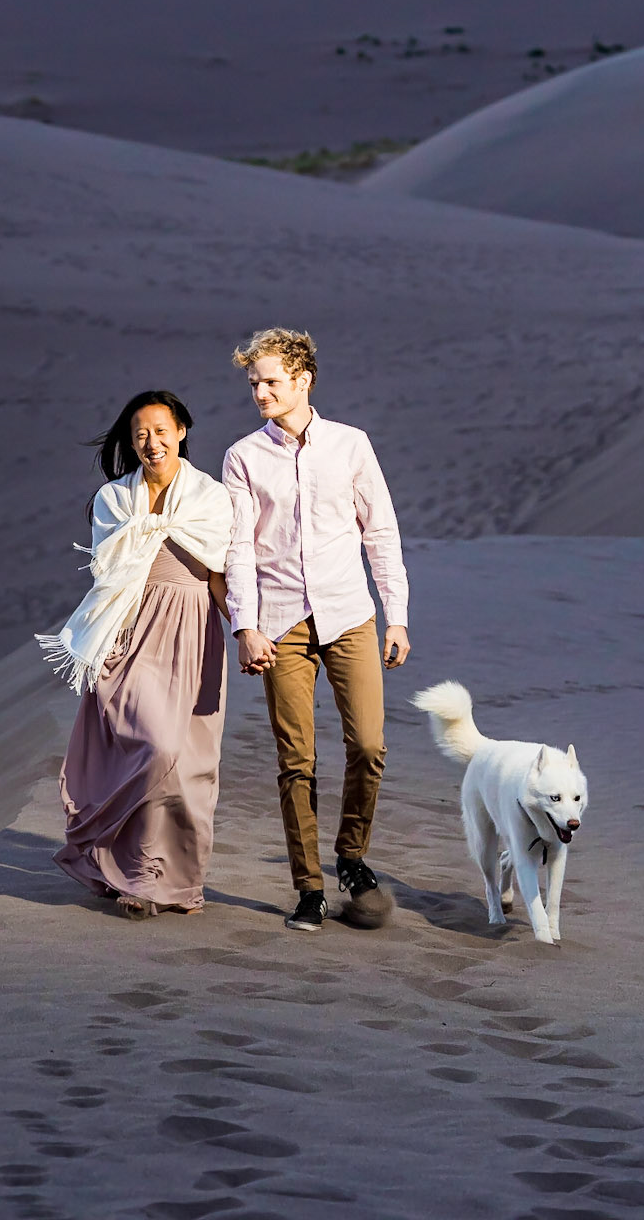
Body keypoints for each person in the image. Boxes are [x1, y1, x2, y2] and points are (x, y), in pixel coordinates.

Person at [223, 328, 410, 932]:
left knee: (370, 746)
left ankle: (351, 857)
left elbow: (380, 532)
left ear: (303, 380)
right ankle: (309, 888)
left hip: (349, 614)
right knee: (295, 760)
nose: (261, 393)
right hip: (281, 624)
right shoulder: (243, 457)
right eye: (254, 383)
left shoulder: (351, 444)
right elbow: (238, 550)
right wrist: (245, 627)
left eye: (271, 382)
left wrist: (397, 615)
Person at [38, 391, 233, 917]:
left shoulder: (211, 498)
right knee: (154, 746)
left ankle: (169, 884)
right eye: (141, 434)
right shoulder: (114, 500)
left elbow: (219, 574)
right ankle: (124, 861)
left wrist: (246, 632)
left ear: (182, 431)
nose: (152, 443)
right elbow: (109, 576)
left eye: (161, 431)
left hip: (193, 633)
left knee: (188, 767)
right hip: (130, 633)